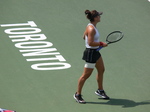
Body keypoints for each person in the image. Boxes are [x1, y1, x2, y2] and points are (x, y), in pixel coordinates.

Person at [73, 10, 110, 104]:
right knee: (86, 75)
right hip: (91, 53)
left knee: (101, 70)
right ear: (95, 18)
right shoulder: (91, 29)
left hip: (95, 52)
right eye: (98, 16)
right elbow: (90, 43)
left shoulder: (91, 27)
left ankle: (100, 90)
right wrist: (101, 43)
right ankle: (78, 94)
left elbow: (84, 37)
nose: (100, 17)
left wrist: (98, 45)